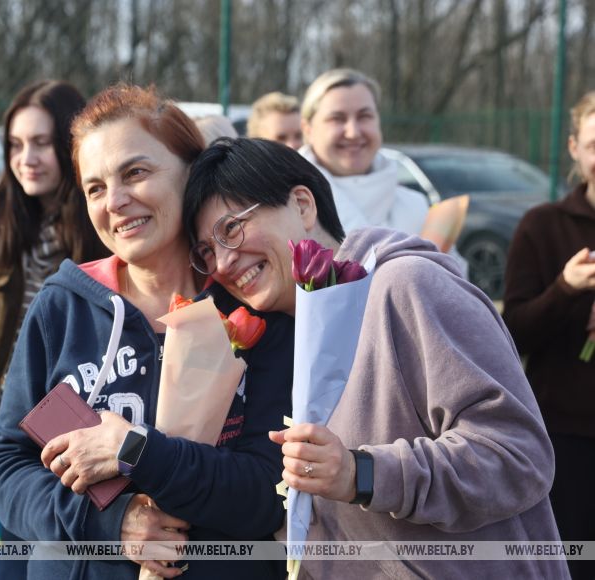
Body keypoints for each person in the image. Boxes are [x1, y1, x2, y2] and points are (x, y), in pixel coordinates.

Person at [182, 137, 569, 579]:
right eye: (206, 252)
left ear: (303, 206)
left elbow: (519, 456)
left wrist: (363, 474)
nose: (225, 262)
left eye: (231, 229)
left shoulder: (408, 286)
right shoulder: (276, 339)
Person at [0, 85, 292, 580]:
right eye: (95, 188)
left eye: (136, 173)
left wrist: (138, 453)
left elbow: (268, 491)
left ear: (191, 172)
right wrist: (112, 524)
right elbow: (6, 469)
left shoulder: (254, 308)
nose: (117, 202)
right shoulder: (63, 304)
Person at [0, 79, 108, 579]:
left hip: (80, 438)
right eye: (15, 144)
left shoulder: (105, 228)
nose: (26, 157)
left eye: (41, 143)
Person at [502, 91, 595, 580]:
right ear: (575, 148)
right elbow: (512, 331)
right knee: (573, 561)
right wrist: (566, 288)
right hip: (566, 435)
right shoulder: (544, 226)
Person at [299, 68, 429, 236]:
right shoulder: (284, 206)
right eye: (337, 118)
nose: (353, 132)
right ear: (308, 129)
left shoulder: (416, 208)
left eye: (364, 116)